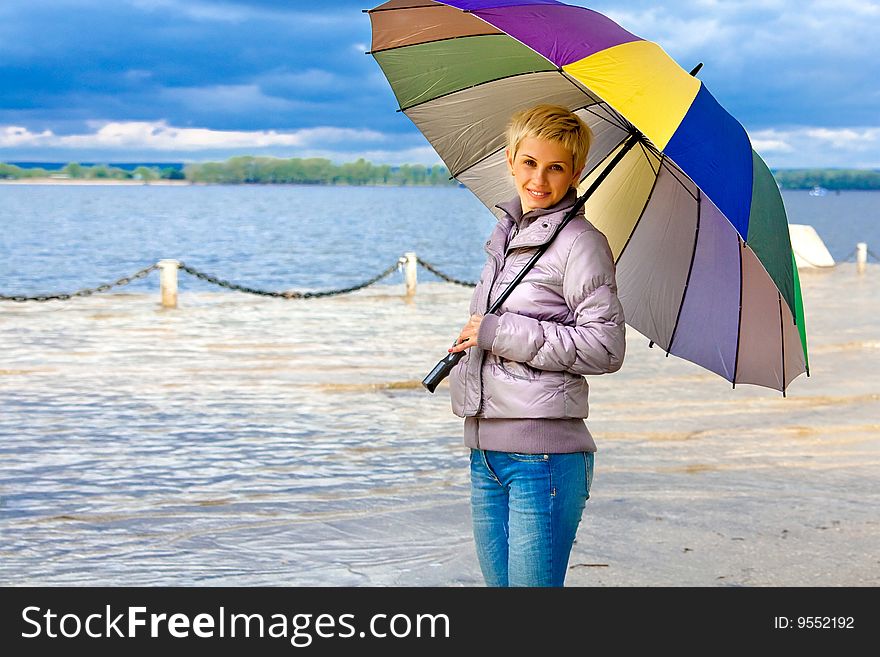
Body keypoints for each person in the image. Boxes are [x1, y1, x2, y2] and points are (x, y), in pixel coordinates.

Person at [447, 104, 626, 587]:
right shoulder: (506, 237)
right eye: (529, 162)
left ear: (576, 172)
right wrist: (474, 345)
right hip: (485, 451)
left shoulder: (581, 242)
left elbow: (604, 347)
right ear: (509, 160)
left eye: (556, 167)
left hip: (543, 458)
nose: (540, 179)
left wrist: (497, 332)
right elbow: (510, 328)